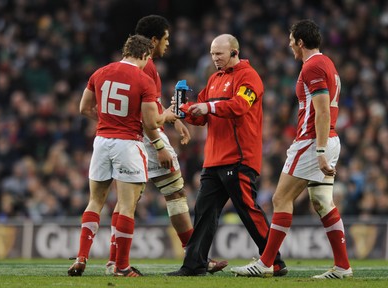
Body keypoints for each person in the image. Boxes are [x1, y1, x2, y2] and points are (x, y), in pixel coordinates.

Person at [104, 15, 227, 275]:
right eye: (166, 39)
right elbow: (145, 116)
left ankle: (114, 260)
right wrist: (159, 144)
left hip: (133, 139)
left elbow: (152, 107)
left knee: (127, 200)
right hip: (147, 139)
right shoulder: (145, 67)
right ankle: (196, 257)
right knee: (175, 194)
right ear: (153, 40)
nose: (168, 44)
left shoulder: (135, 66)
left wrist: (173, 122)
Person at [231, 19, 353, 279]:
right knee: (322, 201)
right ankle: (342, 266)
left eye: (290, 42)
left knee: (280, 199)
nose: (289, 47)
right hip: (327, 139)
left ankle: (265, 263)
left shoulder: (313, 66)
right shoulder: (327, 63)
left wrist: (319, 151)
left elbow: (321, 111)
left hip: (312, 142)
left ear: (300, 42)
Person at [166, 34, 287, 276]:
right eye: (212, 54)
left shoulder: (249, 77)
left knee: (248, 210)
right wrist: (184, 110)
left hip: (239, 157)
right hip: (214, 159)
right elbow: (200, 117)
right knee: (203, 211)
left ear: (234, 52)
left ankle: (274, 261)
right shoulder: (213, 80)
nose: (214, 58)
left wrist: (207, 106)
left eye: (219, 54)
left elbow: (240, 106)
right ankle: (194, 264)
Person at [67, 34, 178, 277]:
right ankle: (122, 267)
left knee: (95, 201)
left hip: (102, 142)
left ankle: (81, 257)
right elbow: (150, 123)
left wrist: (109, 121)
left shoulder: (100, 72)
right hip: (127, 144)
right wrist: (167, 116)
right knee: (127, 207)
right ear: (145, 55)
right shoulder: (144, 79)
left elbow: (84, 108)